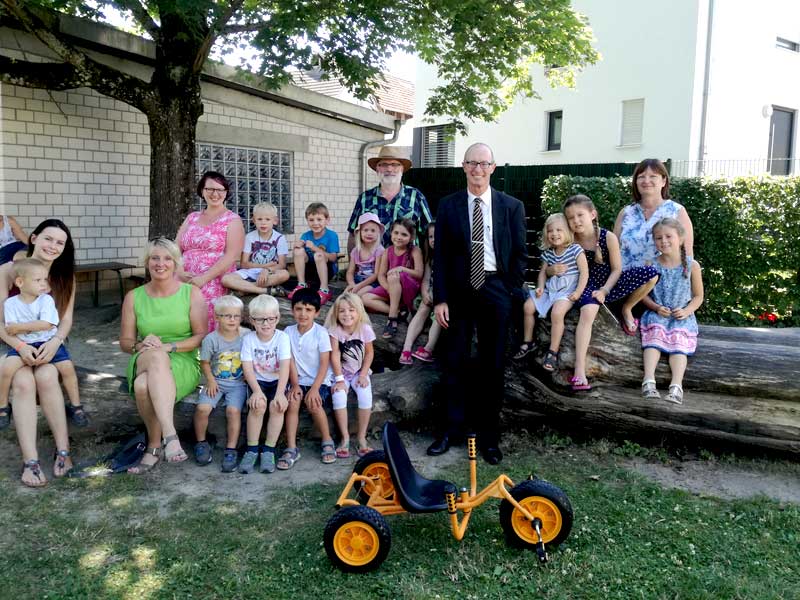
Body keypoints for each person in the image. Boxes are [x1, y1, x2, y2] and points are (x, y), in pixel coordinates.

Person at [430, 143, 527, 464]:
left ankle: (489, 438)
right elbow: (440, 256)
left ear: (493, 168)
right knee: (453, 360)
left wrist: (510, 290)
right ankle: (451, 431)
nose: (477, 169)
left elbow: (518, 255)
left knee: (492, 364)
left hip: (495, 288)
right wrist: (441, 298)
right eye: (472, 163)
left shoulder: (511, 206)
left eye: (483, 164)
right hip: (458, 291)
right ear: (463, 166)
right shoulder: (448, 205)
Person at [0, 219, 78, 486]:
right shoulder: (8, 271)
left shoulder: (64, 276)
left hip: (49, 343)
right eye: (48, 238)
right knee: (22, 382)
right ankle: (30, 461)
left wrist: (56, 342)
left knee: (45, 377)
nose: (53, 246)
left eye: (60, 242)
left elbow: (65, 320)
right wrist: (20, 346)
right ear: (33, 238)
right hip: (13, 344)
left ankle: (63, 451)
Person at [120, 238, 206, 473]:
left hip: (183, 359)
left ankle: (154, 447)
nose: (161, 263)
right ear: (147, 262)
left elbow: (200, 336)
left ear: (176, 263)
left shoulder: (192, 293)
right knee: (155, 357)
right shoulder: (134, 297)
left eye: (167, 258)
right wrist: (140, 344)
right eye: (155, 258)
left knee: (141, 385)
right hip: (145, 356)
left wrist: (170, 347)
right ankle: (171, 437)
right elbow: (125, 343)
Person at [560, 195, 658, 391]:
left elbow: (617, 269)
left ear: (593, 214)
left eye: (580, 215)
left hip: (609, 283)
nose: (576, 221)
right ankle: (579, 370)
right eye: (571, 217)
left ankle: (627, 309)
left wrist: (605, 289)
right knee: (588, 311)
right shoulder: (569, 241)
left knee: (651, 275)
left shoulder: (607, 237)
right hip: (584, 285)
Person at [613, 158, 694, 335]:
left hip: (659, 296)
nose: (646, 180)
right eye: (641, 176)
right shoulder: (626, 213)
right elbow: (613, 251)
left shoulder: (676, 211)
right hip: (625, 288)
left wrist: (681, 303)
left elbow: (686, 256)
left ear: (664, 181)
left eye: (653, 176)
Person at [0, 259, 78, 421]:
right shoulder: (10, 304)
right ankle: (3, 405)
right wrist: (25, 328)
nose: (44, 284)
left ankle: (76, 405)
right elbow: (9, 327)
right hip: (23, 344)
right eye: (38, 280)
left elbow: (48, 324)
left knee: (68, 368)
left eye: (45, 279)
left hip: (47, 341)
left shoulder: (46, 300)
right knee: (6, 369)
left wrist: (21, 328)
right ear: (20, 282)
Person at [640, 218, 703, 405]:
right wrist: (656, 307)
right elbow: (642, 296)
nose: (664, 241)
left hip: (681, 315)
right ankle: (648, 380)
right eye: (658, 238)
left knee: (679, 343)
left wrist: (687, 310)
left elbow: (698, 296)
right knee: (654, 337)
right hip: (658, 312)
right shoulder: (651, 264)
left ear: (681, 238)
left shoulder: (691, 266)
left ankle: (676, 386)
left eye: (669, 236)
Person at [516, 214, 588, 372]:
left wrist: (578, 292)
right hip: (550, 290)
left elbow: (584, 273)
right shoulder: (549, 253)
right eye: (550, 231)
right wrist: (540, 286)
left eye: (559, 230)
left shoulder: (575, 250)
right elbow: (542, 273)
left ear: (569, 232)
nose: (554, 234)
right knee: (528, 306)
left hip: (567, 292)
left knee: (557, 313)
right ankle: (528, 341)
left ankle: (553, 351)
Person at [177, 171, 245, 331]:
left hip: (213, 280)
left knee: (203, 318)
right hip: (184, 278)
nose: (215, 194)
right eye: (210, 189)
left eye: (220, 190)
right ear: (202, 191)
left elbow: (232, 255)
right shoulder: (192, 217)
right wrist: (179, 271)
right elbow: (175, 248)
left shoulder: (232, 220)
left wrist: (203, 279)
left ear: (226, 192)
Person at [194, 295, 248, 472]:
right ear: (216, 317)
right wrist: (209, 381)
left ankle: (231, 449)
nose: (232, 320)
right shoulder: (211, 339)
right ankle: (201, 443)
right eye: (226, 316)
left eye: (236, 316)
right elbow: (205, 362)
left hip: (238, 384)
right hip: (215, 381)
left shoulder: (247, 336)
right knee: (203, 408)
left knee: (233, 410)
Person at [238, 294, 291, 474]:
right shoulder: (249, 339)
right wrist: (256, 391)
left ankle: (269, 450)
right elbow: (247, 368)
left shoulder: (282, 338)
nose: (266, 324)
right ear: (252, 320)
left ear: (278, 318)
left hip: (278, 381)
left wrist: (280, 393)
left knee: (277, 407)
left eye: (270, 319)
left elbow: (285, 367)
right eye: (260, 320)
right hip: (257, 381)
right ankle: (252, 449)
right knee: (258, 406)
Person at [283, 287, 336, 466]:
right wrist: (295, 384)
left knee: (314, 403)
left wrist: (314, 389)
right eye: (298, 309)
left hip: (319, 380)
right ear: (292, 310)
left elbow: (324, 363)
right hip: (297, 379)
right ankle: (291, 448)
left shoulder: (321, 333)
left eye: (308, 309)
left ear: (317, 312)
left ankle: (327, 440)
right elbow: (289, 360)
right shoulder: (287, 332)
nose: (303, 314)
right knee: (292, 402)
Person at [348, 146, 433, 251]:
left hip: (407, 265)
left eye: (395, 165)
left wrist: (424, 265)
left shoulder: (416, 197)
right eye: (384, 164)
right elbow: (353, 234)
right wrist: (353, 264)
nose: (389, 169)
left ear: (402, 169)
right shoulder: (364, 198)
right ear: (377, 169)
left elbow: (429, 233)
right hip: (372, 265)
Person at [325, 292, 376, 458]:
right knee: (339, 395)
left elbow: (369, 353)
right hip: (340, 372)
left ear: (359, 311)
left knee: (365, 394)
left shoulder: (365, 329)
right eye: (342, 311)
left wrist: (363, 374)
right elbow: (334, 354)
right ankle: (345, 437)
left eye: (351, 310)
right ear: (336, 314)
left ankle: (362, 437)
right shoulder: (334, 331)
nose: (347, 314)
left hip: (359, 371)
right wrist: (339, 380)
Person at [361, 217, 424, 340]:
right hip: (392, 288)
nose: (399, 237)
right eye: (396, 233)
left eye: (404, 234)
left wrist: (402, 269)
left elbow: (419, 274)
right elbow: (381, 275)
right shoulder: (387, 251)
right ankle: (401, 312)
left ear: (411, 237)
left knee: (394, 275)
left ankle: (392, 319)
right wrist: (389, 289)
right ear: (391, 233)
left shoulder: (415, 251)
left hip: (408, 288)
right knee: (365, 298)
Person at [221, 202, 290, 296]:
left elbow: (281, 265)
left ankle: (246, 288)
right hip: (250, 272)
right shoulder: (249, 237)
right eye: (259, 219)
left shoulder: (280, 238)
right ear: (254, 220)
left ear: (275, 221)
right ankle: (265, 291)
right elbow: (244, 264)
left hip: (269, 273)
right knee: (226, 279)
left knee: (284, 274)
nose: (263, 222)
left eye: (267, 219)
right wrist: (265, 265)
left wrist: (267, 270)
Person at [399, 222, 442, 365]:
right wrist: (424, 293)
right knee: (423, 308)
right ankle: (406, 348)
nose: (434, 239)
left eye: (437, 235)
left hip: (444, 299)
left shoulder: (452, 258)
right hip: (430, 294)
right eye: (430, 236)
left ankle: (428, 348)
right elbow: (426, 279)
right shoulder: (430, 258)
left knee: (439, 314)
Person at [287, 203, 340, 305]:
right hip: (309, 271)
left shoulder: (332, 236)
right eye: (311, 220)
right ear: (307, 221)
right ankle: (301, 284)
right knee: (298, 251)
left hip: (326, 270)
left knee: (318, 255)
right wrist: (297, 247)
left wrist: (314, 248)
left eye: (319, 219)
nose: (315, 223)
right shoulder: (306, 235)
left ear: (327, 220)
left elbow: (333, 258)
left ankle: (325, 290)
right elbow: (299, 256)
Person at [344, 212, 385, 298]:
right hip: (357, 280)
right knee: (345, 296)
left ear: (378, 233)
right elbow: (350, 272)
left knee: (357, 296)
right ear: (360, 233)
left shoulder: (379, 250)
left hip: (372, 282)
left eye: (373, 230)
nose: (369, 233)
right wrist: (352, 284)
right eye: (365, 230)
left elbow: (376, 274)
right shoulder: (356, 251)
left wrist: (358, 287)